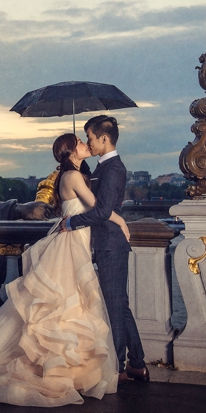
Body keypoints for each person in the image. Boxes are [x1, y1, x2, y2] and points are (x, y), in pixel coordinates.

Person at [0, 133, 129, 406]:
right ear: (71, 151)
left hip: (72, 243)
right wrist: (121, 222)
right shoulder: (72, 177)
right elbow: (99, 208)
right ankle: (62, 370)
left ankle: (59, 368)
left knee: (60, 308)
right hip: (71, 246)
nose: (86, 144)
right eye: (80, 141)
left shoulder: (71, 175)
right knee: (65, 307)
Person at [67, 115, 149, 383]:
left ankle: (117, 370)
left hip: (111, 245)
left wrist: (71, 222)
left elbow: (102, 211)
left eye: (90, 137)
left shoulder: (113, 168)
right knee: (120, 306)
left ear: (104, 138)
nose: (88, 142)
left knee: (114, 308)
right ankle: (136, 364)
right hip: (108, 244)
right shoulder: (103, 167)